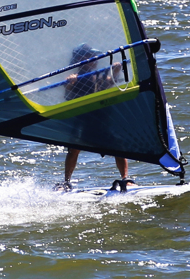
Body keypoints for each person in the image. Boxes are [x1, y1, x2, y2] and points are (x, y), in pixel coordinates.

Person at [54, 44, 136, 192]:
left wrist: (116, 73)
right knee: (74, 149)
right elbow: (68, 97)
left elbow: (110, 84)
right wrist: (69, 85)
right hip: (83, 119)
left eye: (95, 57)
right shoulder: (75, 78)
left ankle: (125, 178)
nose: (95, 59)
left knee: (118, 147)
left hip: (102, 118)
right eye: (91, 57)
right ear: (80, 59)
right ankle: (66, 182)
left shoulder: (100, 74)